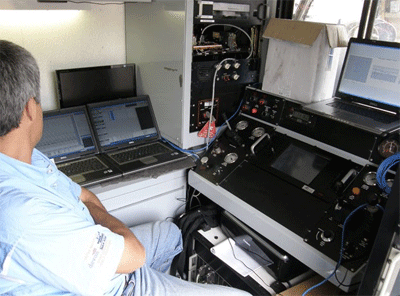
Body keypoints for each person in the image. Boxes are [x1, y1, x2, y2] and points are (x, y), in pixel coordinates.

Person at [0, 40, 252, 296]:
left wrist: (105, 234)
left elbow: (86, 196)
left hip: (110, 254)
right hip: (119, 285)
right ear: (30, 109)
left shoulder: (28, 160)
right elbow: (134, 255)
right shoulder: (20, 215)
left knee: (170, 233)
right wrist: (112, 234)